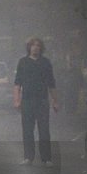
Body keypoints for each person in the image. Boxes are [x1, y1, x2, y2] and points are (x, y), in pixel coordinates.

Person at [13, 37, 58, 166]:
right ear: (29, 47)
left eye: (38, 45)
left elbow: (51, 84)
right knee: (27, 130)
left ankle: (46, 158)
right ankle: (28, 157)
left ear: (41, 48)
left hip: (42, 101)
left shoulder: (46, 63)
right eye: (33, 45)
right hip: (27, 101)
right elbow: (17, 83)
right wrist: (16, 100)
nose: (35, 47)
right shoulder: (23, 62)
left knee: (44, 130)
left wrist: (55, 101)